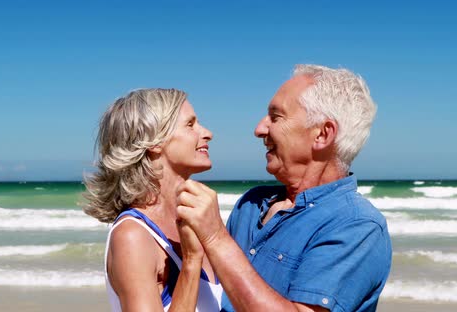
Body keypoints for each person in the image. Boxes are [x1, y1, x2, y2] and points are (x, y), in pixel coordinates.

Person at [177, 65, 392, 312]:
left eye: (276, 117)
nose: (259, 129)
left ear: (322, 134)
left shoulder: (358, 225)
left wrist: (216, 238)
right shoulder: (251, 203)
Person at [83, 88, 223, 311]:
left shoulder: (198, 218)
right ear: (155, 141)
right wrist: (191, 261)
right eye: (190, 124)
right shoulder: (133, 237)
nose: (207, 133)